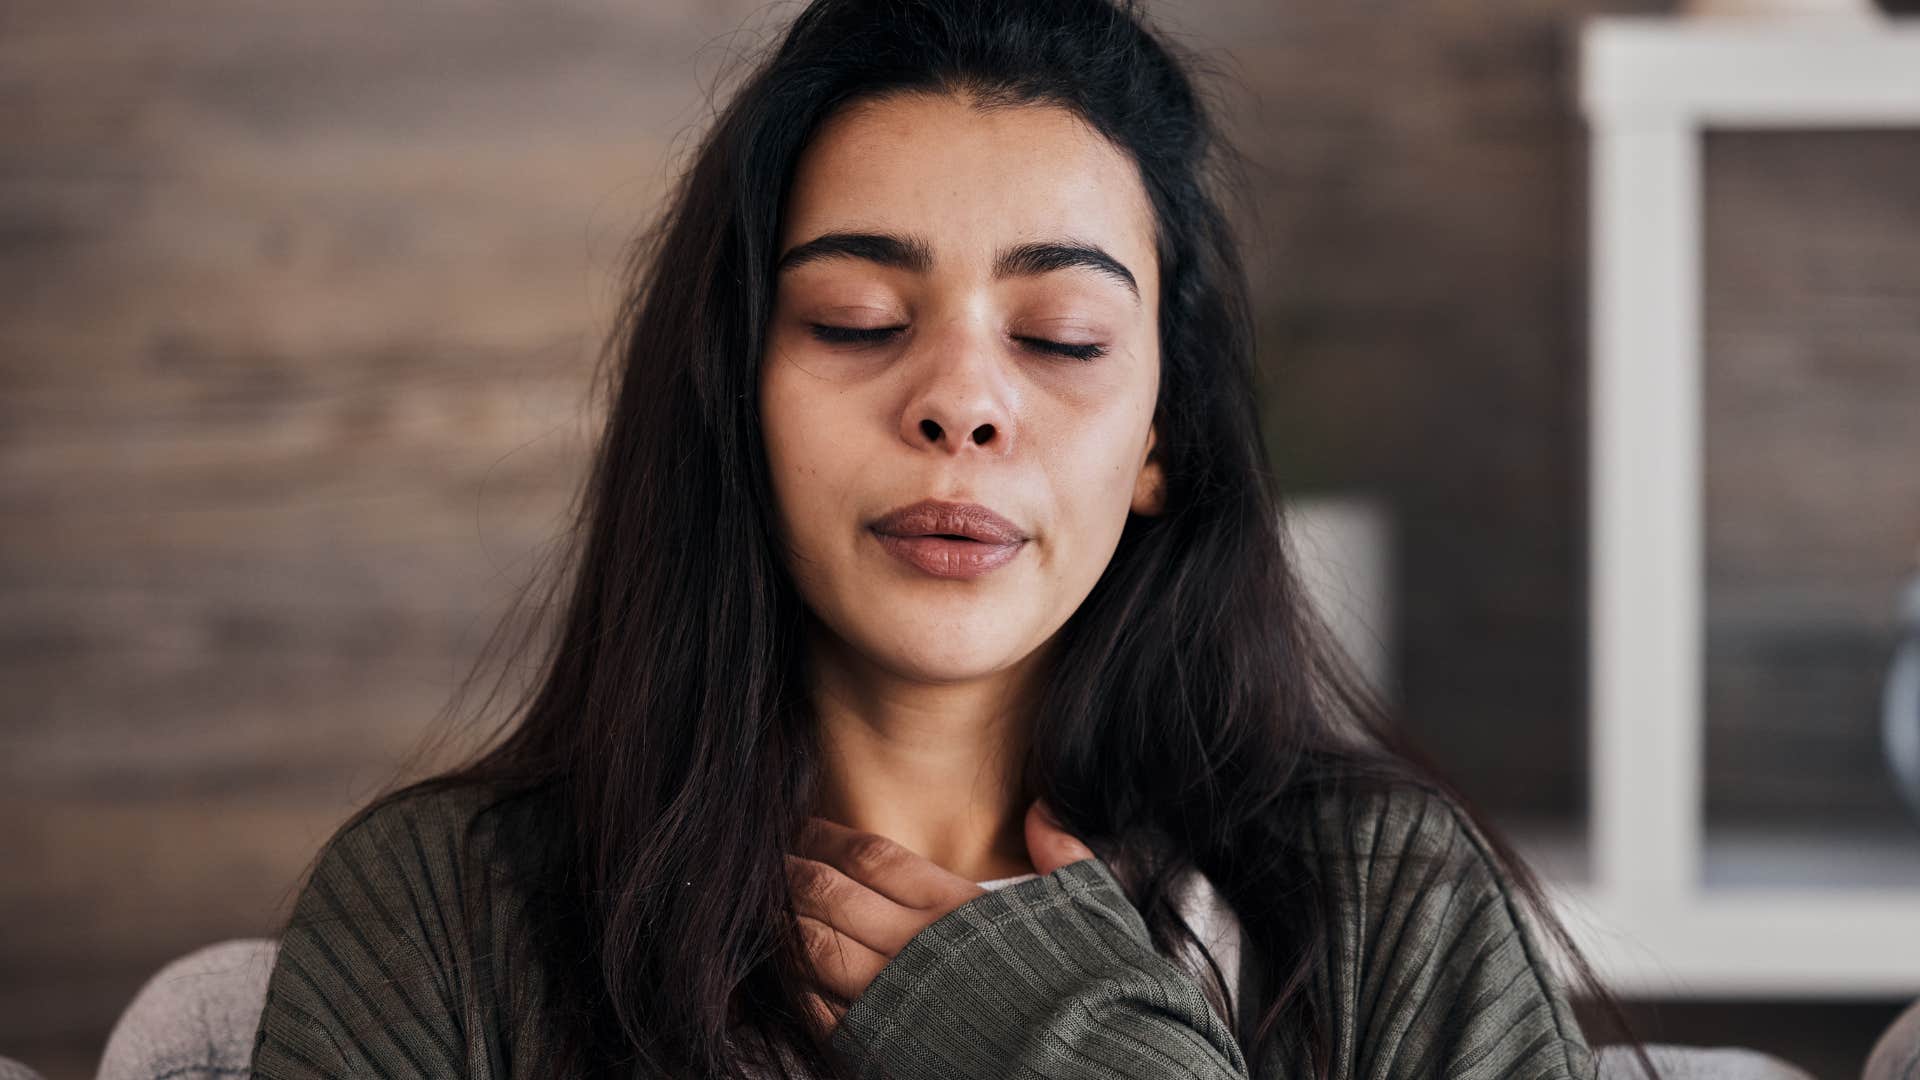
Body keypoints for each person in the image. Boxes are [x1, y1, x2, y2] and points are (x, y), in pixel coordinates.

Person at [248, 1, 1663, 1077]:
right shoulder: (438, 916)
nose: (962, 403)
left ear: (1161, 438)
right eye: (857, 321)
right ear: (733, 396)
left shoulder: (1386, 905)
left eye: (1063, 337)